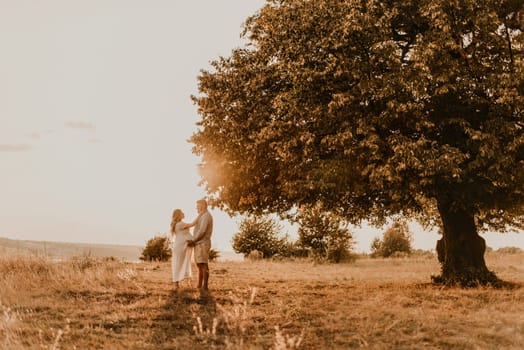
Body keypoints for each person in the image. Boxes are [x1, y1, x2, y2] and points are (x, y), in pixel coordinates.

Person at [170, 209, 201, 289]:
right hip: (180, 246)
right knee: (178, 264)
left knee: (180, 263)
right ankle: (176, 284)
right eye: (182, 213)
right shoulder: (180, 224)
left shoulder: (179, 224)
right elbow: (193, 224)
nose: (184, 213)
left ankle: (178, 283)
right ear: (179, 215)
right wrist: (201, 214)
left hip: (181, 246)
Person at [186, 199, 213, 290]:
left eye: (198, 206)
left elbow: (202, 231)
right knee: (199, 265)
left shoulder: (206, 216)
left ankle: (205, 286)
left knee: (203, 264)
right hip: (199, 243)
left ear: (203, 206)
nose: (196, 208)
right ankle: (199, 285)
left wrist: (193, 240)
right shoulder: (202, 216)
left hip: (203, 243)